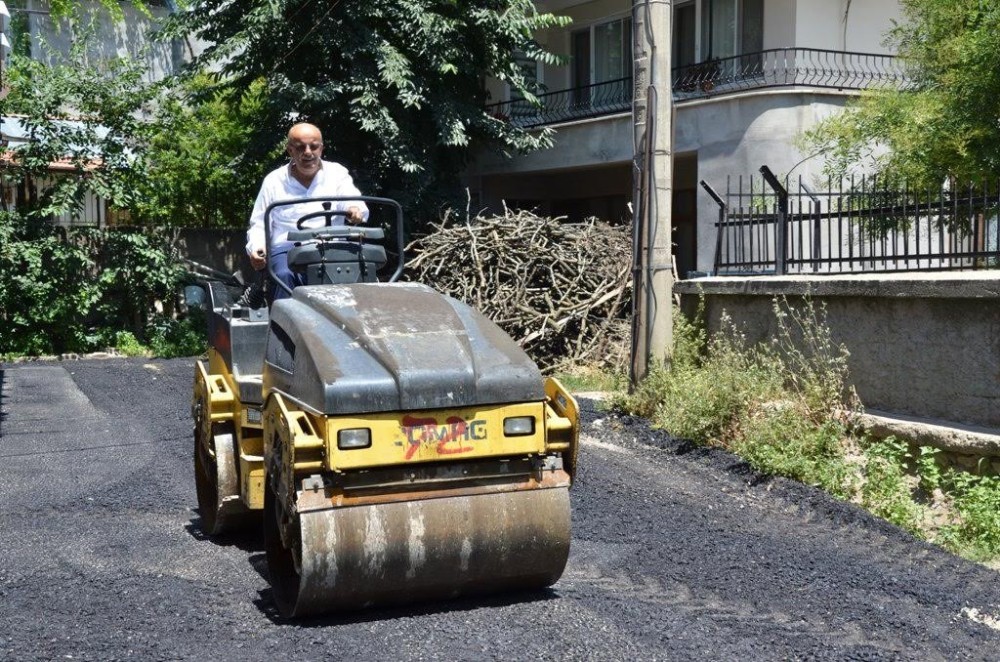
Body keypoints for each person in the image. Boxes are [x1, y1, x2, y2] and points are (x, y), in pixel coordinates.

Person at [245, 122, 369, 299]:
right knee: (283, 275)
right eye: (301, 147)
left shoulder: (337, 173)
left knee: (362, 271)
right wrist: (257, 248)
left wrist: (354, 210)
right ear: (290, 151)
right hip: (289, 251)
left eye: (314, 146)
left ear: (321, 148)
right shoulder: (274, 181)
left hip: (333, 248)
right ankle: (284, 325)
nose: (308, 152)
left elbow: (352, 201)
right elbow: (259, 223)